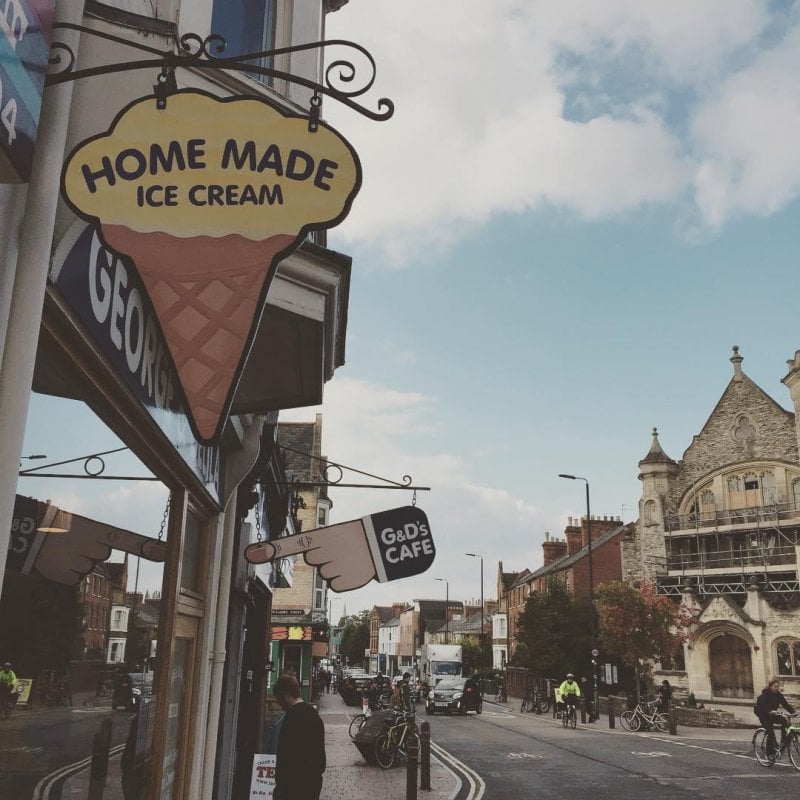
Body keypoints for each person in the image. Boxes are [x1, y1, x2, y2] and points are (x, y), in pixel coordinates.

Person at [273, 673, 326, 800]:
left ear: (286, 695)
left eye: (279, 699)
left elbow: (285, 757)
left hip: (292, 789)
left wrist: (281, 788)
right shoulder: (314, 715)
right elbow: (321, 760)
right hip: (312, 786)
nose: (279, 703)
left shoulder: (291, 718)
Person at [755, 677, 795, 756]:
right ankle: (769, 752)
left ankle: (783, 740)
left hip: (773, 714)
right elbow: (763, 706)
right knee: (770, 733)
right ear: (770, 686)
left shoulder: (778, 694)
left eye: (778, 687)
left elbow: (785, 704)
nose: (777, 688)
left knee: (784, 721)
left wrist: (793, 712)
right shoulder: (765, 694)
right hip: (764, 715)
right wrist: (770, 711)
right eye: (775, 686)